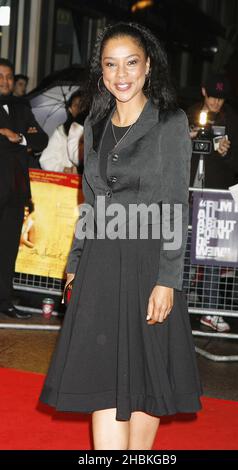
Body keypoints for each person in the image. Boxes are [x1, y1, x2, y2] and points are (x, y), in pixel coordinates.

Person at [39, 22, 203, 450]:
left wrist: (168, 280)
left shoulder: (170, 123)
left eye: (131, 63)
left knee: (147, 377)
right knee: (102, 382)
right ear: (101, 73)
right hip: (99, 268)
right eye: (111, 65)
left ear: (148, 66)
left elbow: (174, 206)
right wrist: (74, 265)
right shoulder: (94, 125)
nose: (121, 74)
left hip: (150, 265)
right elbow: (89, 203)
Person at [187, 73, 238, 333]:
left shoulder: (232, 121)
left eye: (221, 98)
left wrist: (226, 153)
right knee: (180, 249)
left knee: (211, 253)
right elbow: (166, 153)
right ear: (203, 91)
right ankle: (175, 302)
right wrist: (185, 140)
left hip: (215, 194)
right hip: (187, 191)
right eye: (212, 96)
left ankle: (211, 309)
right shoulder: (188, 115)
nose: (216, 103)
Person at [0, 58, 48, 319]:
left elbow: (41, 138)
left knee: (8, 248)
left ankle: (4, 300)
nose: (5, 81)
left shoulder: (21, 106)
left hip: (17, 190)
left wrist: (18, 137)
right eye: (0, 76)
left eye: (8, 76)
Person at [39, 91, 84, 173]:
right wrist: (64, 169)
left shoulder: (93, 129)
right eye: (75, 105)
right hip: (66, 181)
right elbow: (45, 160)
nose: (79, 108)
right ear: (70, 109)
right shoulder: (61, 131)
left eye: (82, 105)